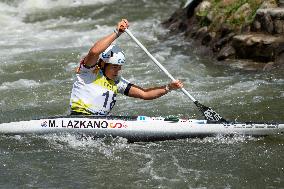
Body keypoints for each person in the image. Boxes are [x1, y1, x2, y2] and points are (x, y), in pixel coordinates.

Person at [70, 19, 183, 115]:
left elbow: (145, 94)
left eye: (119, 67)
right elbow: (94, 52)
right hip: (80, 118)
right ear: (103, 64)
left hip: (101, 122)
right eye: (114, 67)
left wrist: (169, 87)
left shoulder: (117, 82)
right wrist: (117, 32)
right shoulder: (89, 71)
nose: (118, 70)